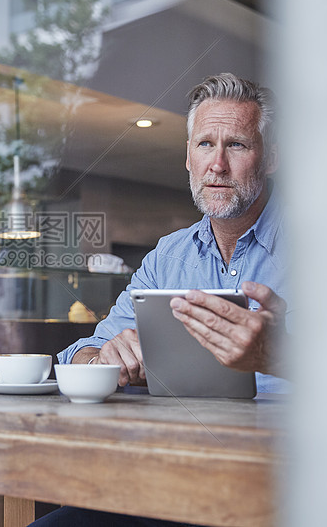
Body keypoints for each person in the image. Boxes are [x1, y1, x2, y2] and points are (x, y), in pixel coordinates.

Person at [31, 73, 289, 527]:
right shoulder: (167, 257)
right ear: (188, 158)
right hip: (165, 478)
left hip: (281, 487)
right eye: (205, 144)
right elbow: (82, 353)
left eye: (238, 146)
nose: (218, 166)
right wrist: (103, 359)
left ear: (270, 159)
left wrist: (280, 355)